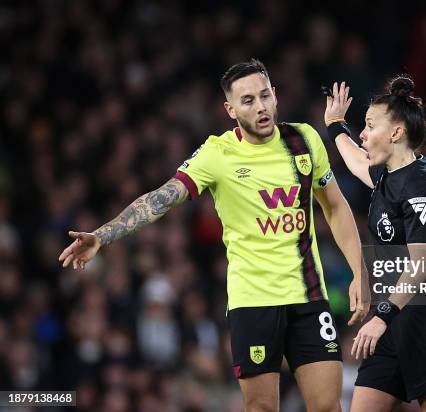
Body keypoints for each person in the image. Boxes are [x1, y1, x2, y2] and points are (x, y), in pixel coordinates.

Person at [59, 59, 369, 412]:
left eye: (265, 95)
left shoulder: (304, 139)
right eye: (248, 100)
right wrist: (104, 235)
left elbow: (335, 207)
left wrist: (359, 271)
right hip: (253, 303)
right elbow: (162, 198)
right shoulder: (217, 154)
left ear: (275, 95)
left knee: (329, 407)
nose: (261, 107)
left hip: (309, 298)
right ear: (230, 109)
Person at [324, 78, 426, 411]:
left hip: (424, 325)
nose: (362, 133)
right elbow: (356, 160)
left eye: (370, 126)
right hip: (389, 327)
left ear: (396, 133)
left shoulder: (421, 185)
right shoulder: (387, 175)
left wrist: (381, 316)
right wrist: (334, 125)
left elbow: (421, 264)